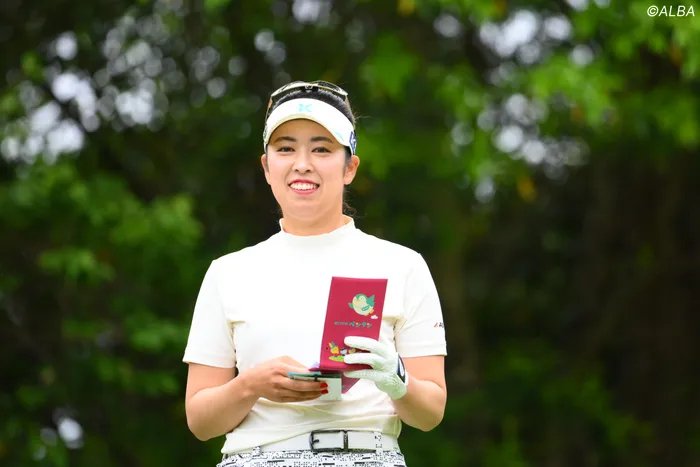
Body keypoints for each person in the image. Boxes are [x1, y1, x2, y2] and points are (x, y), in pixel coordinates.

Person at [182, 80, 448, 467]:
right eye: (285, 148)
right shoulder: (228, 273)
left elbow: (431, 413)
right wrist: (252, 385)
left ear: (349, 167)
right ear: (266, 167)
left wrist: (396, 378)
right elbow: (200, 421)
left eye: (322, 149)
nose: (302, 163)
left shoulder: (402, 265)